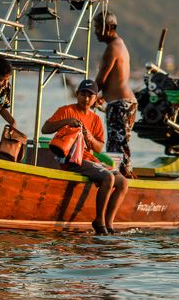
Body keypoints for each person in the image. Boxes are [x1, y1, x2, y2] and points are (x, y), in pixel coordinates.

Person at [42, 78, 128, 235]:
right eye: (83, 94)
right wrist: (66, 121)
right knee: (108, 177)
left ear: (95, 98)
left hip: (89, 160)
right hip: (70, 159)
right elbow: (45, 129)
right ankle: (99, 221)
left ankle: (109, 223)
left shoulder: (96, 119)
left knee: (123, 182)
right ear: (77, 94)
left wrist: (90, 138)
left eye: (90, 96)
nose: (86, 99)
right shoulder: (66, 110)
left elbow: (99, 147)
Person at [92, 10, 137, 178]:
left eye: (98, 27)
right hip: (124, 103)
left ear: (110, 28)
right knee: (119, 147)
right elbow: (115, 79)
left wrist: (88, 95)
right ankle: (123, 177)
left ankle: (121, 181)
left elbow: (101, 79)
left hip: (121, 105)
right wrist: (101, 97)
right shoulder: (119, 44)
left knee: (116, 150)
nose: (95, 32)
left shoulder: (112, 48)